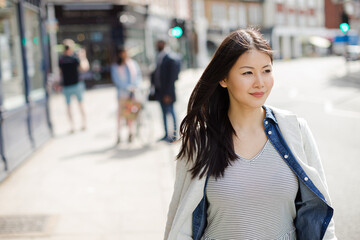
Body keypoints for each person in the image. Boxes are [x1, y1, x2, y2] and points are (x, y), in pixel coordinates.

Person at [164, 28, 337, 240]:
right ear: (224, 79)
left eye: (266, 70)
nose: (260, 83)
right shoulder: (200, 141)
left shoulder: (295, 130)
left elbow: (322, 215)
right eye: (247, 72)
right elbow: (181, 223)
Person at [110, 47, 142, 144]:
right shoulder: (116, 66)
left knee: (130, 114)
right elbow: (117, 81)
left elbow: (138, 76)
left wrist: (135, 86)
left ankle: (130, 133)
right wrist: (127, 87)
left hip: (132, 93)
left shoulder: (132, 63)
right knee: (120, 115)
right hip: (122, 94)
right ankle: (119, 134)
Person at [151, 40, 181, 143]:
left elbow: (172, 77)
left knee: (170, 112)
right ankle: (166, 134)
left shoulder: (170, 58)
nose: (157, 46)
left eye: (159, 44)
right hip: (159, 91)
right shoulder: (158, 57)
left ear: (163, 44)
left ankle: (174, 135)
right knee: (163, 113)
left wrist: (168, 93)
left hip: (167, 92)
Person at [58, 39, 88, 133]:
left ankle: (84, 123)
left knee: (80, 105)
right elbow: (60, 73)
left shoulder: (75, 58)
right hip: (67, 86)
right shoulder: (61, 59)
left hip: (76, 85)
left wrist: (83, 57)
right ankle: (72, 126)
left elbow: (84, 68)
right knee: (68, 107)